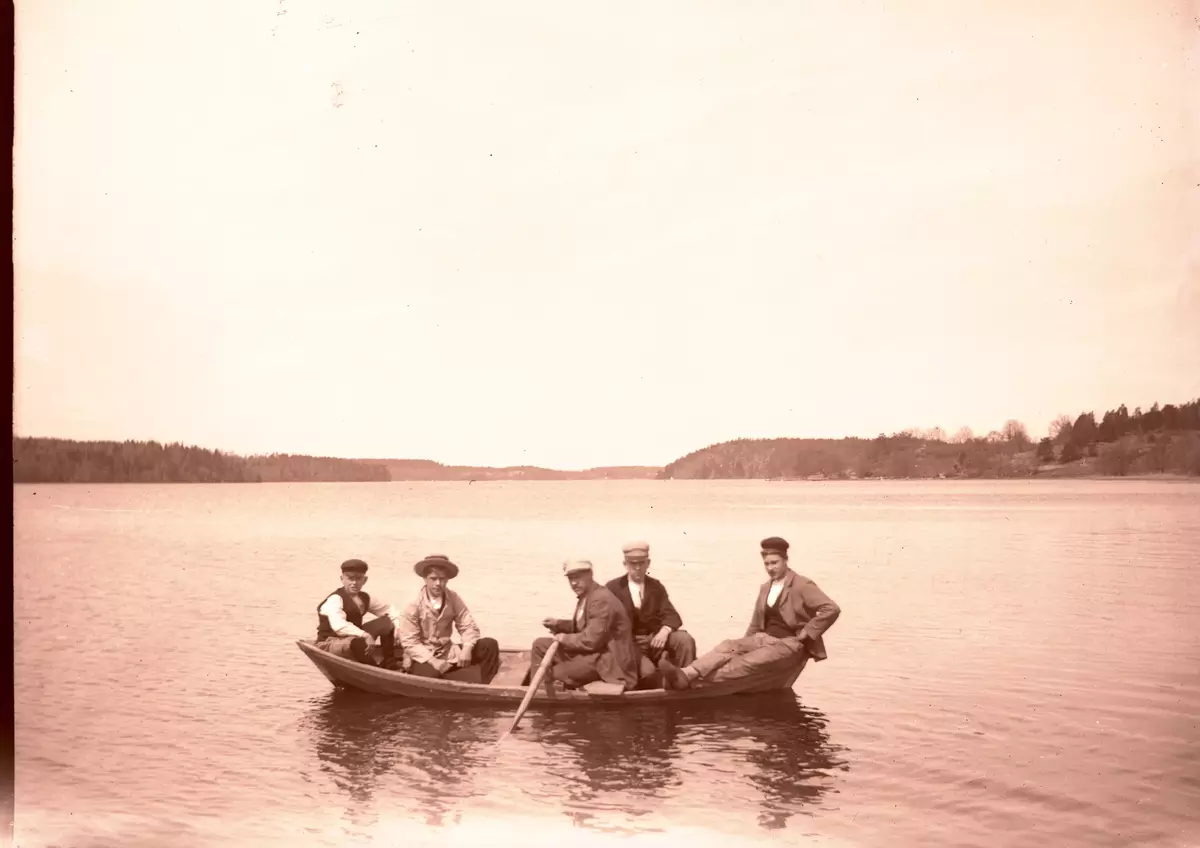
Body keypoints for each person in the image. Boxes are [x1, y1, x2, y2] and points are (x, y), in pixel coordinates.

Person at [658, 536, 840, 689]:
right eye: (767, 564)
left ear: (785, 560)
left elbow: (831, 608)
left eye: (775, 563)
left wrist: (809, 631)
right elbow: (755, 623)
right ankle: (687, 674)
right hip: (762, 639)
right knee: (727, 646)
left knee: (746, 662)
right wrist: (743, 645)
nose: (771, 568)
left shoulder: (801, 585)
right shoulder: (766, 587)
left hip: (788, 644)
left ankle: (692, 682)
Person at [524, 559, 640, 691]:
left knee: (553, 674)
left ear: (590, 575)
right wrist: (558, 624)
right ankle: (539, 690)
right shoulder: (587, 595)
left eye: (578, 578)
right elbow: (586, 626)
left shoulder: (601, 599)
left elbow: (592, 640)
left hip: (607, 662)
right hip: (594, 654)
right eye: (570, 579)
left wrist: (564, 638)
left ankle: (542, 691)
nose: (574, 583)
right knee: (540, 644)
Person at [605, 541, 697, 689]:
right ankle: (665, 675)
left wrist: (664, 631)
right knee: (648, 672)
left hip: (655, 639)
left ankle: (686, 678)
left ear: (648, 563)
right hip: (630, 644)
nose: (637, 568)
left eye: (641, 563)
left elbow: (672, 615)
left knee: (684, 640)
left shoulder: (656, 586)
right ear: (625, 564)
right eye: (632, 563)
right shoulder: (613, 588)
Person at [397, 554, 500, 684]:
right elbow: (410, 642)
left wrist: (467, 649)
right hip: (422, 656)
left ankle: (488, 688)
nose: (438, 584)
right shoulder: (413, 604)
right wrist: (433, 661)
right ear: (425, 579)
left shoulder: (453, 598)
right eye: (433, 579)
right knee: (431, 678)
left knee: (489, 645)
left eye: (442, 579)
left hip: (448, 652)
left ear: (447, 580)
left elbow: (467, 625)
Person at [316, 558, 403, 669]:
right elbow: (339, 626)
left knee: (387, 622)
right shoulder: (335, 599)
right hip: (329, 643)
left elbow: (390, 610)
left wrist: (398, 629)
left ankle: (389, 661)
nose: (354, 583)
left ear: (365, 580)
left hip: (353, 638)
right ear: (342, 579)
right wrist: (365, 635)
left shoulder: (364, 598)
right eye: (350, 578)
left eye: (358, 579)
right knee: (357, 642)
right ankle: (374, 668)